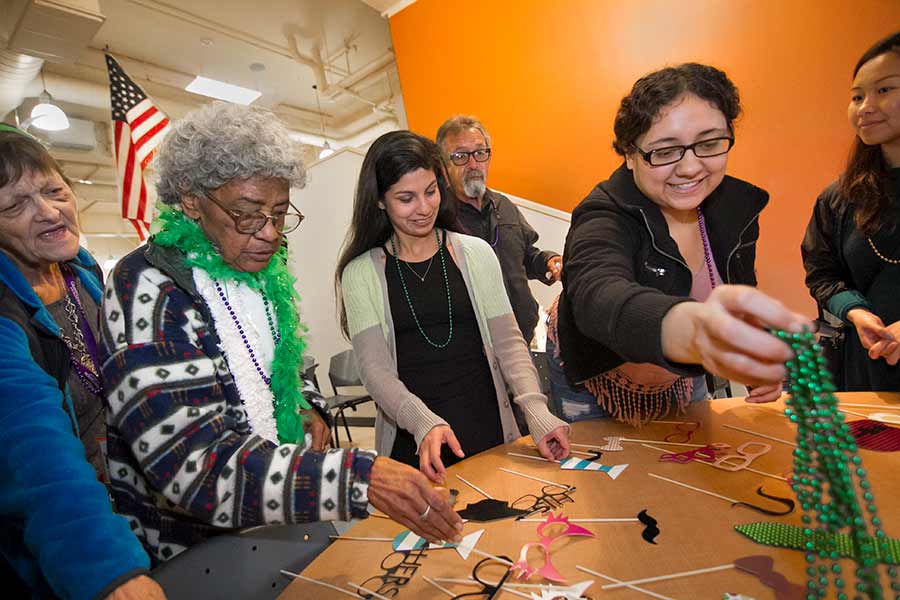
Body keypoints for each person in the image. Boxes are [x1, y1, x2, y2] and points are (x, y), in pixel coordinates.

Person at [99, 103, 462, 564]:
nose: (270, 234)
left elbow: (286, 354)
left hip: (285, 523)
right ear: (191, 200)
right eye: (249, 214)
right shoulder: (146, 285)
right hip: (197, 555)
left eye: (279, 213)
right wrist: (359, 477)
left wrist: (305, 401)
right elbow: (192, 465)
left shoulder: (258, 266)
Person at [557, 63, 808, 426]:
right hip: (598, 381)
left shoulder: (735, 207)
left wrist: (751, 352)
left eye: (708, 144)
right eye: (665, 150)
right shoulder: (603, 213)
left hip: (680, 376)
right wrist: (695, 331)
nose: (690, 168)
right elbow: (597, 293)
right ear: (630, 154)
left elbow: (738, 292)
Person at [336, 131, 570, 484]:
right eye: (406, 198)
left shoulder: (475, 254)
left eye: (431, 191)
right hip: (415, 442)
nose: (425, 208)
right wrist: (422, 420)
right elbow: (375, 370)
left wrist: (536, 410)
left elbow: (509, 344)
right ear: (380, 201)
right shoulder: (360, 274)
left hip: (487, 429)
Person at [0, 127, 164, 599]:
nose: (49, 212)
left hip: (131, 509)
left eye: (54, 191)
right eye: (15, 205)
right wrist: (110, 573)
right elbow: (34, 452)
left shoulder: (84, 271)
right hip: (68, 542)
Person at [802, 31, 900, 390]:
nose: (865, 107)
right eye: (857, 96)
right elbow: (822, 273)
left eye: (885, 90)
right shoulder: (840, 197)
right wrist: (858, 314)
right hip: (867, 372)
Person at [436, 116, 562, 345]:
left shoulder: (504, 206)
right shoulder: (437, 218)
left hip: (523, 336)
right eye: (461, 156)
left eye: (480, 153)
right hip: (472, 347)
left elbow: (524, 256)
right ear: (443, 165)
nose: (473, 164)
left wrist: (547, 261)